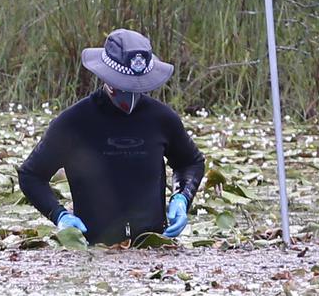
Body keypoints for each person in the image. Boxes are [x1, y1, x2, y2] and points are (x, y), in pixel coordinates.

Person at [17, 29, 205, 245]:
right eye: (124, 86)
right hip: (93, 248)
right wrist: (59, 215)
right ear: (107, 79)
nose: (130, 95)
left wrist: (182, 197)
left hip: (152, 245)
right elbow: (31, 175)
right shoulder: (74, 122)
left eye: (139, 86)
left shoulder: (162, 119)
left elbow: (191, 162)